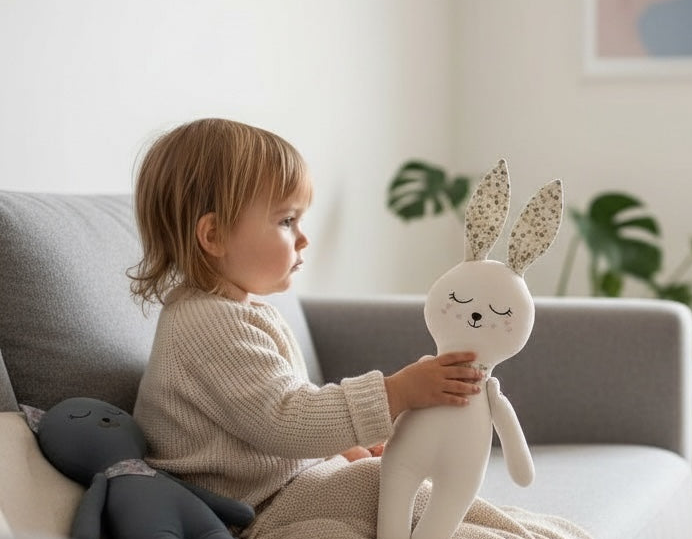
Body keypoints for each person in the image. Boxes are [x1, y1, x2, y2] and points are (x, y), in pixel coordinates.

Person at [130, 117, 484, 510]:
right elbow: (285, 420)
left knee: (412, 487)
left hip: (272, 492)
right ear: (213, 236)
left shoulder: (237, 312)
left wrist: (341, 451)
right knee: (411, 499)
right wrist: (397, 392)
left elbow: (269, 429)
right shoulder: (206, 324)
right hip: (245, 513)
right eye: (286, 220)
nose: (304, 237)